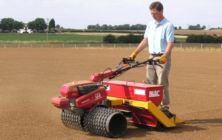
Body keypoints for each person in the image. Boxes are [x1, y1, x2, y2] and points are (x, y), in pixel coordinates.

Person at [129, 1, 174, 112]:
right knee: (149, 82)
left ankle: (164, 108)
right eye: (151, 13)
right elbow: (146, 40)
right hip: (151, 57)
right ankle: (149, 105)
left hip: (162, 57)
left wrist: (165, 55)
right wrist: (135, 53)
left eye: (155, 13)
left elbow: (170, 43)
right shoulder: (150, 24)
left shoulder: (168, 25)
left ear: (161, 11)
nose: (153, 15)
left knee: (161, 82)